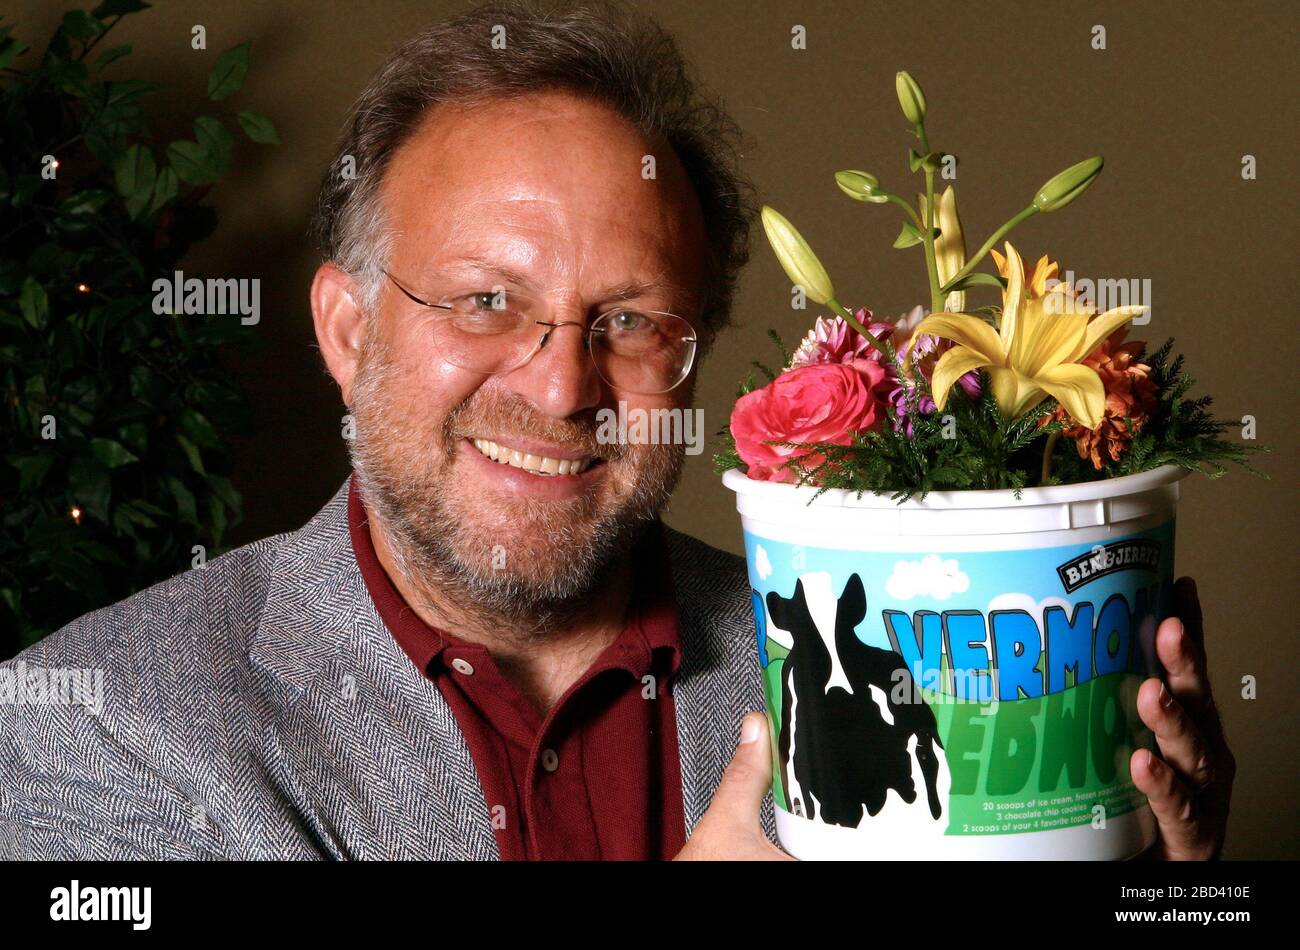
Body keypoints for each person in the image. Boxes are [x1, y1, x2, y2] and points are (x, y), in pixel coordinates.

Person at [0, 0, 1233, 860]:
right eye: (488, 301)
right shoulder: (91, 719)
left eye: (631, 320)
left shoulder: (889, 654)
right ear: (344, 328)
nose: (557, 386)